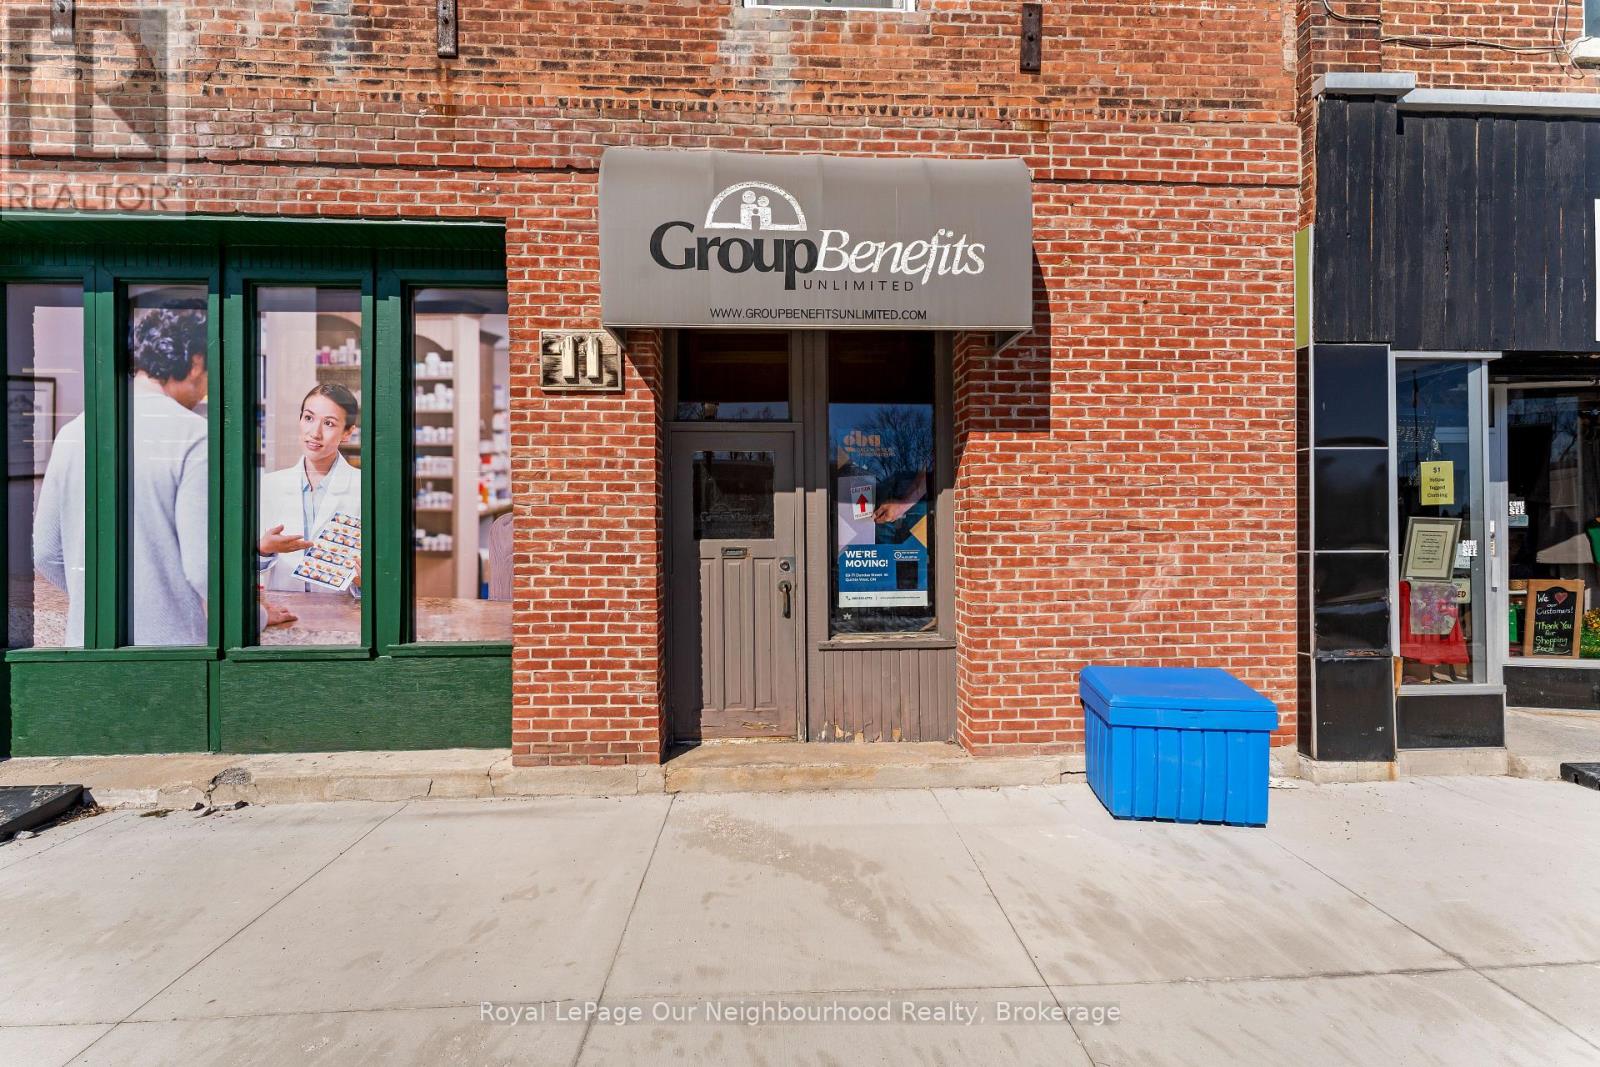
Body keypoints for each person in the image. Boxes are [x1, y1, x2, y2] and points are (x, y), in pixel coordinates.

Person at [33, 306, 211, 645]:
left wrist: (105, 599)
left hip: (89, 644)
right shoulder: (194, 434)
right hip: (172, 652)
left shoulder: (76, 430)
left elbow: (45, 552)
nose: (205, 389)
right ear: (196, 362)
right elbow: (203, 568)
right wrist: (257, 614)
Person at [258, 382, 362, 594]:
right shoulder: (270, 485)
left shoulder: (364, 488)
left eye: (329, 423)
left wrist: (363, 582)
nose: (315, 432)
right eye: (308, 418)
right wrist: (263, 550)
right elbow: (242, 569)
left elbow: (380, 580)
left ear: (347, 432)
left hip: (341, 612)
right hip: (284, 609)